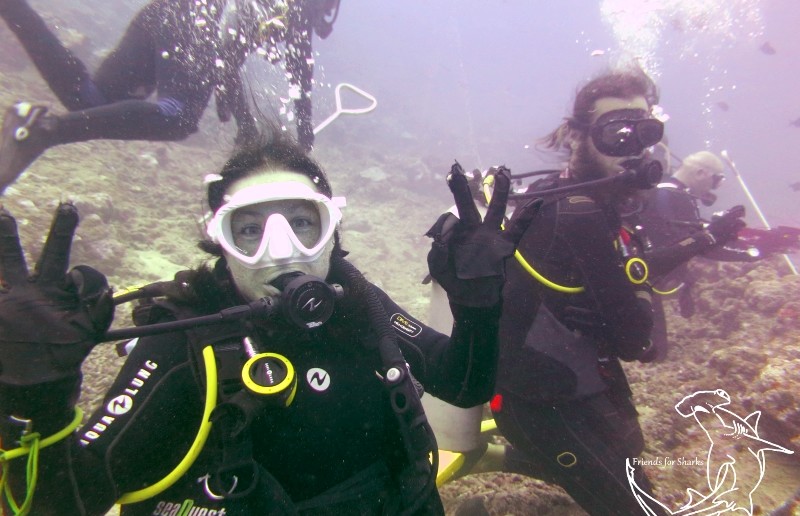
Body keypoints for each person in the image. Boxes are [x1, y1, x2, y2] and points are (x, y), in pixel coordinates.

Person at [0, 133, 539, 514]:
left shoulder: (358, 303)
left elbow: (463, 382)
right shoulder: (189, 343)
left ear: (331, 232)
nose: (282, 253)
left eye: (303, 223)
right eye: (249, 230)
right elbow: (65, 500)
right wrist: (38, 405)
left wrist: (477, 309)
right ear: (219, 243)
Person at [489, 68, 666, 516]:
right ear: (576, 137)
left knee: (629, 456)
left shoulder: (572, 196)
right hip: (545, 407)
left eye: (644, 131)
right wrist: (641, 297)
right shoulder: (579, 211)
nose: (634, 148)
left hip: (573, 382)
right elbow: (636, 342)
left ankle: (523, 461)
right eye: (616, 133)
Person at [0, 0, 340, 195]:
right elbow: (299, 73)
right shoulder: (298, 10)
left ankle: (13, 10)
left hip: (164, 13)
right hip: (189, 23)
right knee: (176, 117)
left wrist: (246, 120)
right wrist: (303, 132)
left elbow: (226, 58)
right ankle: (45, 131)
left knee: (91, 104)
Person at [632, 150, 754, 359]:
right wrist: (749, 254)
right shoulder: (672, 195)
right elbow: (690, 246)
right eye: (716, 180)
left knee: (651, 349)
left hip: (645, 276)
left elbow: (683, 243)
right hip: (642, 279)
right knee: (654, 353)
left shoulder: (670, 192)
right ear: (700, 173)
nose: (714, 187)